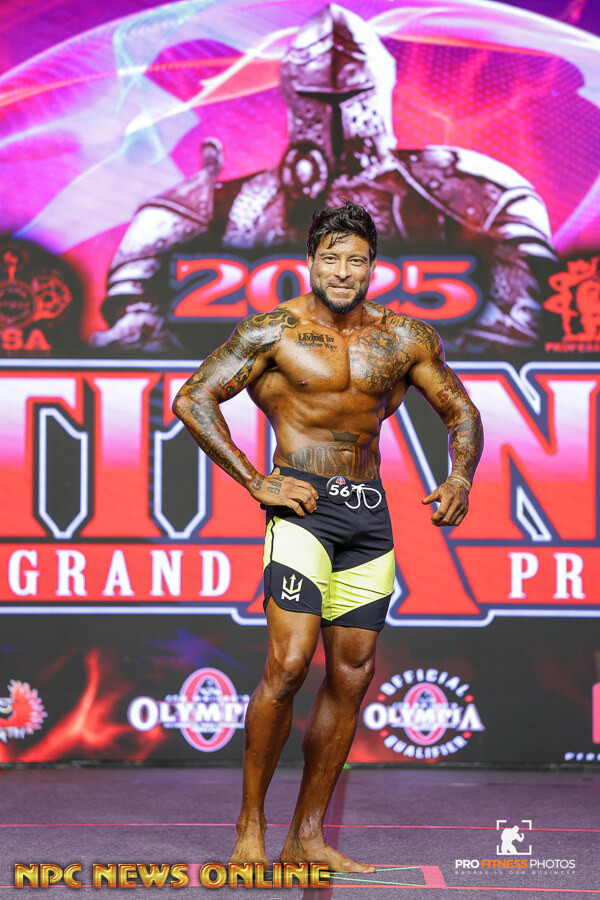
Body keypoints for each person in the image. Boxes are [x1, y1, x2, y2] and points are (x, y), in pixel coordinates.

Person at [172, 200, 483, 873]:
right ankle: (251, 823)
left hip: (369, 518)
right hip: (302, 511)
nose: (343, 271)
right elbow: (193, 396)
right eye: (332, 258)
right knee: (288, 666)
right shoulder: (274, 330)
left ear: (373, 267)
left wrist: (459, 476)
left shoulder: (404, 338)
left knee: (352, 674)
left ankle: (306, 836)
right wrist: (255, 480)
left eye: (356, 260)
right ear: (310, 261)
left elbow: (460, 409)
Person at [96, 4, 555, 355]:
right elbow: (138, 321)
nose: (336, 111)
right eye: (318, 96)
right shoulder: (221, 203)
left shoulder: (469, 189)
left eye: (352, 94)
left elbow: (522, 321)